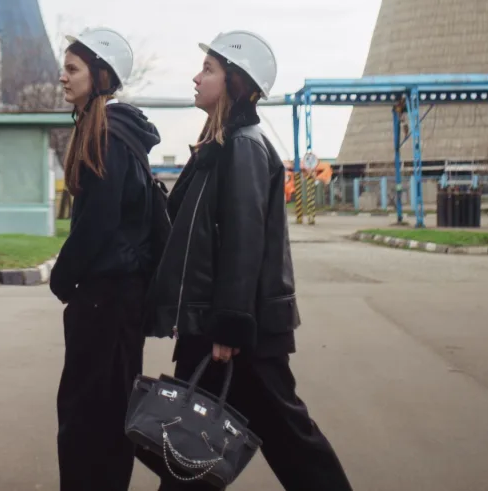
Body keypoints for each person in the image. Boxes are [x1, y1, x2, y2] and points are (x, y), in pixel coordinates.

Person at [146, 31, 351, 491]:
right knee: (190, 448)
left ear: (236, 82)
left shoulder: (243, 146)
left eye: (209, 70)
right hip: (217, 325)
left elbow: (243, 241)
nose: (196, 78)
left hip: (238, 332)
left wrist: (229, 325)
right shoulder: (220, 146)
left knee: (289, 441)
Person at [49, 27, 160, 491]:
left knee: (85, 416)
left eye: (72, 69)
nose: (63, 78)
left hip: (105, 299)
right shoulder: (111, 132)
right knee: (111, 412)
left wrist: (62, 279)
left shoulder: (107, 136)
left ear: (100, 75)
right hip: (119, 299)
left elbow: (97, 223)